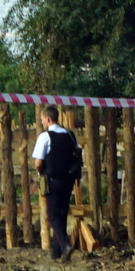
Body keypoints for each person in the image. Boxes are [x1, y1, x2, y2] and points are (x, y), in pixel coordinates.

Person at [31, 106, 80, 260]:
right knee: (62, 214)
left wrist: (41, 174)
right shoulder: (71, 136)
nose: (41, 122)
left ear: (48, 119)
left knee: (52, 216)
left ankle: (65, 244)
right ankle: (57, 254)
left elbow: (38, 163)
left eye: (42, 119)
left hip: (53, 180)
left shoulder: (45, 137)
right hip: (69, 180)